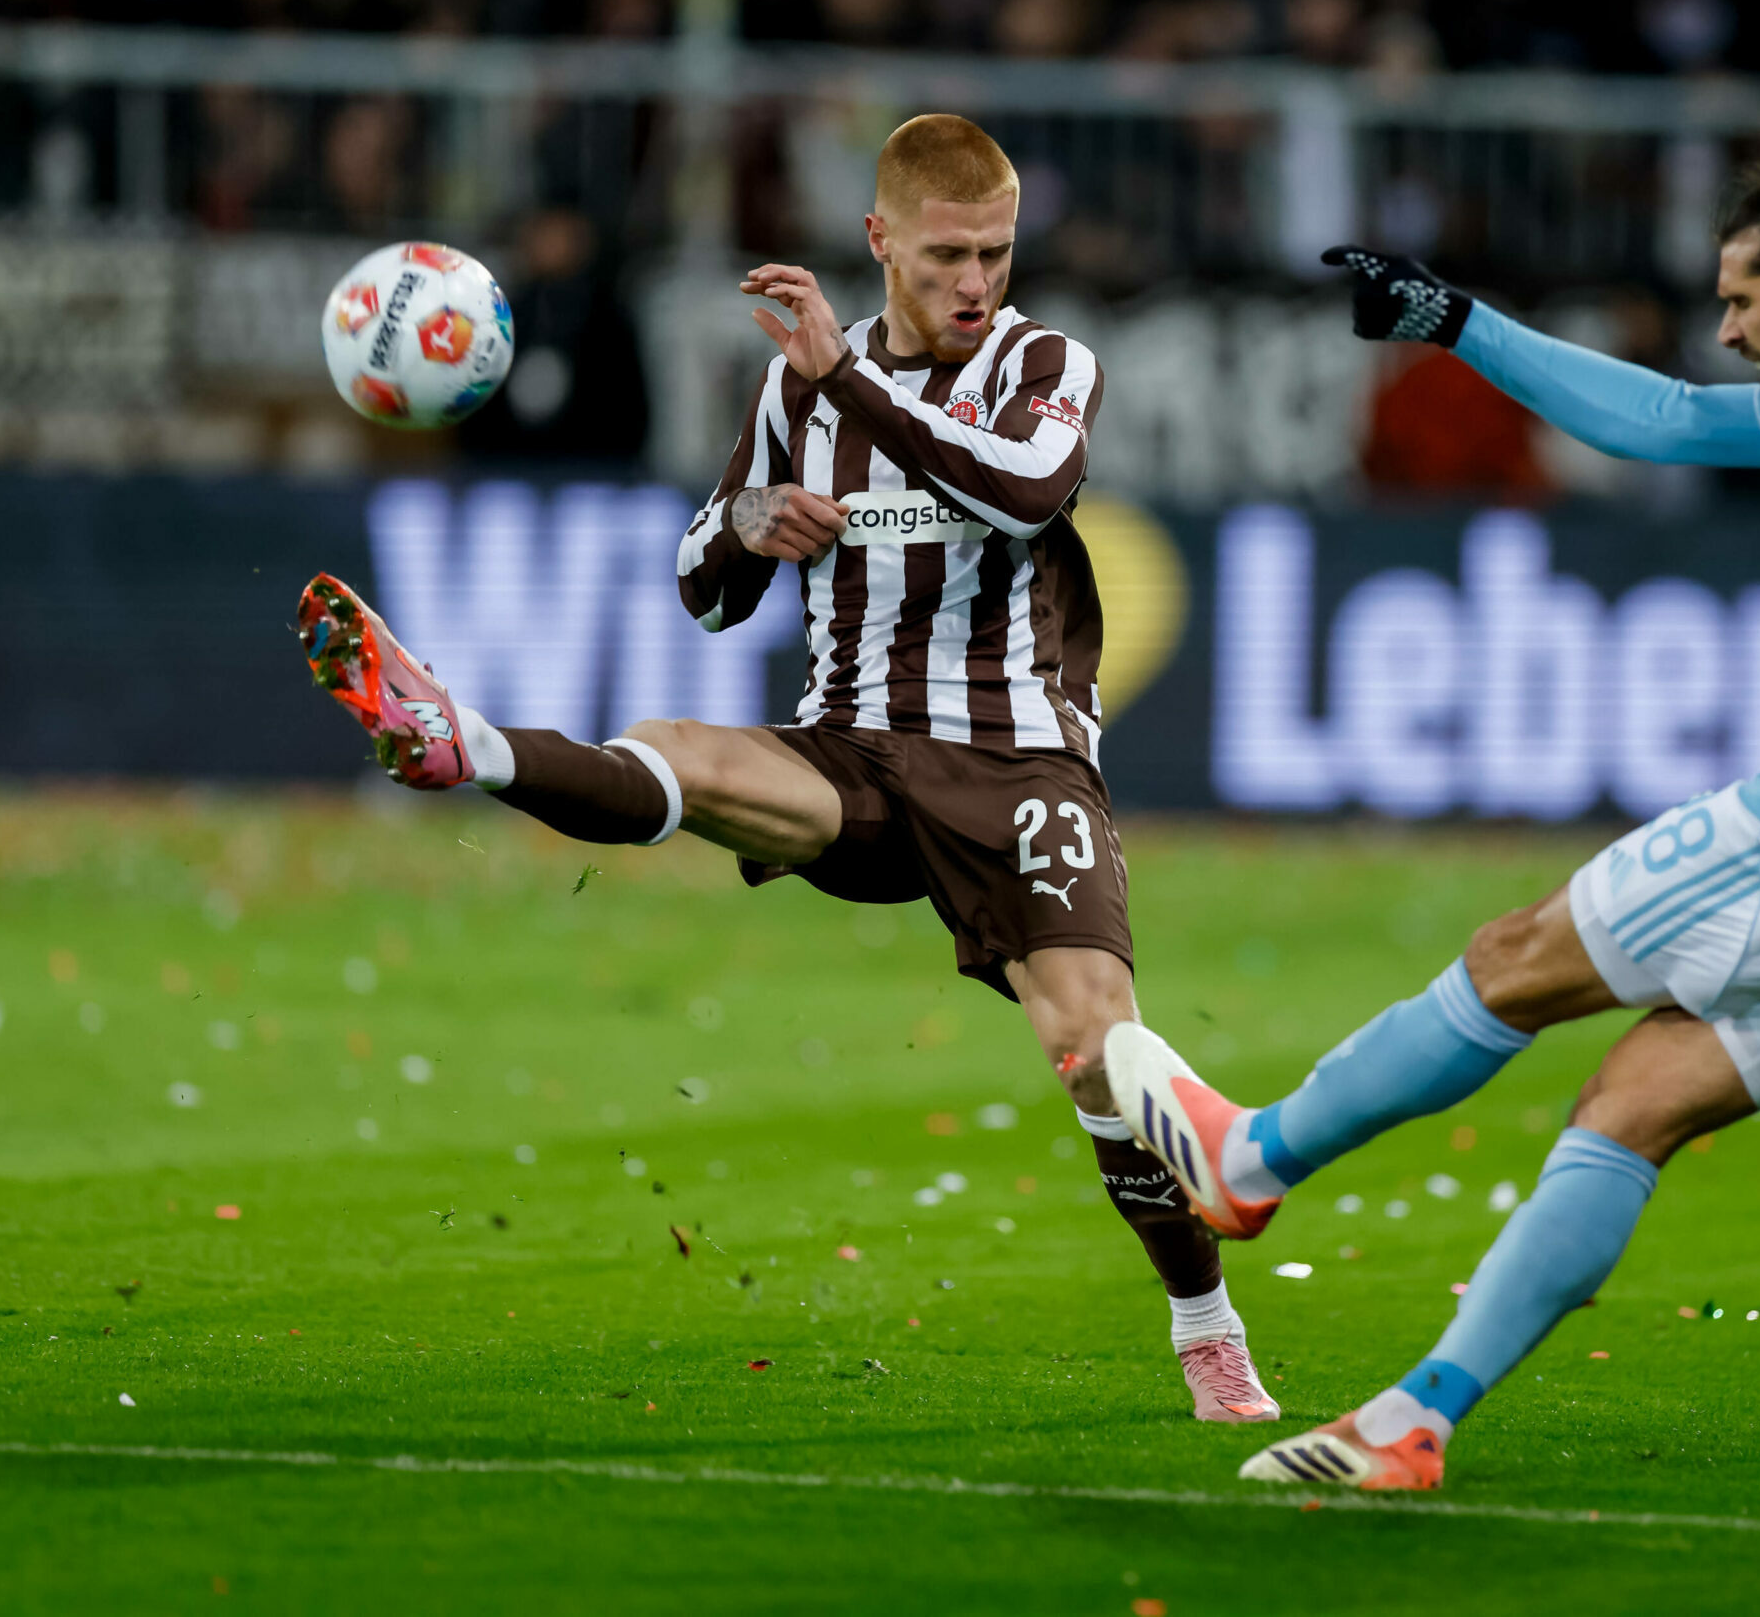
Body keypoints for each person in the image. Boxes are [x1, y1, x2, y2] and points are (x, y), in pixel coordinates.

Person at [1102, 135, 1760, 1488]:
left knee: (1516, 959)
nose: (1728, 330)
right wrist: (1455, 324)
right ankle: (1416, 1421)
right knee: (1630, 1103)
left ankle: (1252, 1162)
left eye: (1741, 300)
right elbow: (1674, 421)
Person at [297, 113, 1279, 1425]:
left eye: (994, 253)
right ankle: (455, 744)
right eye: (946, 258)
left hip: (1018, 766)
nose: (976, 283)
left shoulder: (1046, 361)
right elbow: (706, 588)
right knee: (680, 751)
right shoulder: (792, 396)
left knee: (1094, 1048)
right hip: (850, 756)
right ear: (881, 241)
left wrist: (850, 382)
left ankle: (1207, 1332)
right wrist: (754, 525)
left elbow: (1033, 490)